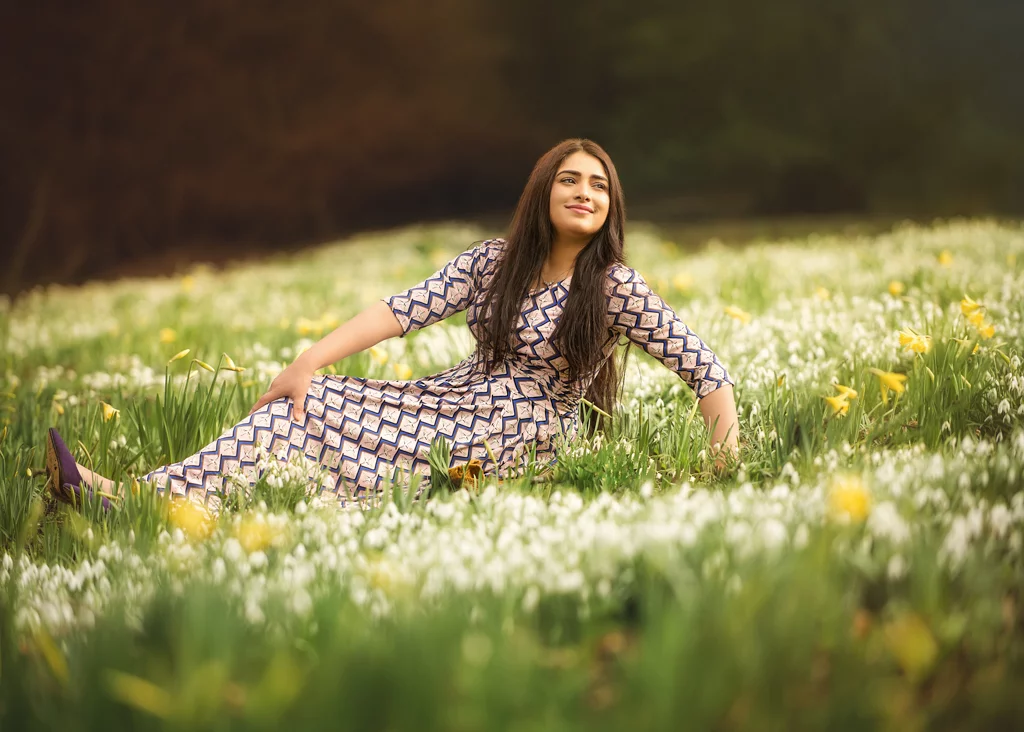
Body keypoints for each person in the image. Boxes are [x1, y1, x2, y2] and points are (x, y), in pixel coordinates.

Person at [44, 138, 740, 515]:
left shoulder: (614, 287)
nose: (584, 193)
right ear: (543, 192)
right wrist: (306, 361)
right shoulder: (493, 262)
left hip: (519, 434)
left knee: (347, 454)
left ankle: (145, 504)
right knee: (300, 405)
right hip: (451, 399)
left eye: (598, 185)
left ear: (610, 205)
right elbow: (399, 311)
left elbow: (706, 371)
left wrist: (723, 470)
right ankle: (140, 499)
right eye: (569, 180)